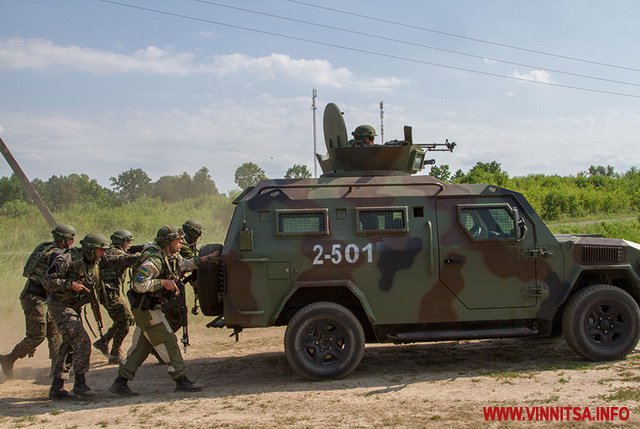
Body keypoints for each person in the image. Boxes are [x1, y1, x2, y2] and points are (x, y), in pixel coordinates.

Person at [109, 225, 219, 396]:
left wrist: (205, 259)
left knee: (141, 347)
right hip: (147, 309)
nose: (181, 242)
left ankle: (120, 383)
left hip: (150, 308)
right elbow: (138, 284)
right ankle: (181, 379)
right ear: (168, 242)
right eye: (178, 239)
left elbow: (183, 265)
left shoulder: (169, 256)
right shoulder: (154, 260)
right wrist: (163, 283)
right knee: (168, 341)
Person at [46, 233, 137, 399]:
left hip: (74, 307)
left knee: (68, 345)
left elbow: (116, 261)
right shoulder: (66, 259)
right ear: (89, 249)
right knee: (82, 340)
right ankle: (80, 384)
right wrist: (70, 285)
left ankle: (57, 387)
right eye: (99, 250)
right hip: (60, 306)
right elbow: (48, 281)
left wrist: (137, 258)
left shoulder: (97, 260)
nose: (102, 254)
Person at [0, 224, 76, 379]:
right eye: (71, 240)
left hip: (44, 298)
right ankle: (9, 359)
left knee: (55, 333)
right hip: (34, 298)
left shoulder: (47, 248)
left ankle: (57, 370)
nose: (72, 243)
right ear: (63, 240)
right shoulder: (54, 255)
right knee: (37, 336)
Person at [92, 230, 138, 364]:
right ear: (122, 242)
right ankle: (115, 352)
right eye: (128, 242)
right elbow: (126, 259)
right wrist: (142, 255)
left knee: (121, 320)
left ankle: (104, 341)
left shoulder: (109, 251)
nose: (129, 244)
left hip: (109, 292)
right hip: (109, 293)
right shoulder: (115, 253)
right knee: (125, 321)